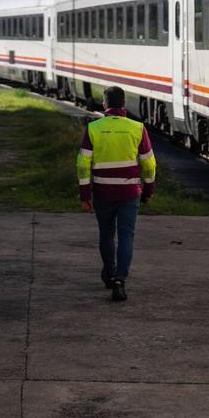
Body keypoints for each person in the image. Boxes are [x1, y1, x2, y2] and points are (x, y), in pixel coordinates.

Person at [76, 86, 156, 302]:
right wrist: (148, 190)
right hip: (130, 192)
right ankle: (120, 279)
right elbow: (148, 164)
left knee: (106, 234)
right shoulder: (137, 128)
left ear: (104, 105)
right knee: (126, 237)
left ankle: (109, 273)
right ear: (124, 105)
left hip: (103, 191)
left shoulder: (93, 128)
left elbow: (83, 165)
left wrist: (85, 195)